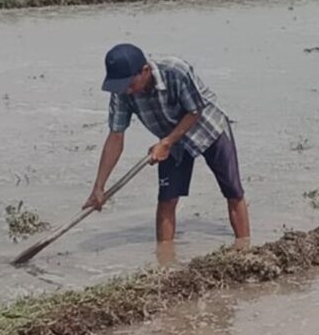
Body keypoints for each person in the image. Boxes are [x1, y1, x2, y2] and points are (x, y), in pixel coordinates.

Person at [84, 43, 250, 251]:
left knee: (233, 191)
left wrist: (166, 142)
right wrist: (99, 186)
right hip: (170, 141)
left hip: (208, 127)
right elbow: (116, 137)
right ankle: (165, 262)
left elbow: (194, 111)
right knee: (167, 199)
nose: (127, 90)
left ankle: (245, 250)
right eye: (121, 86)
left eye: (129, 83)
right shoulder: (122, 93)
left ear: (144, 71)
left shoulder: (175, 71)